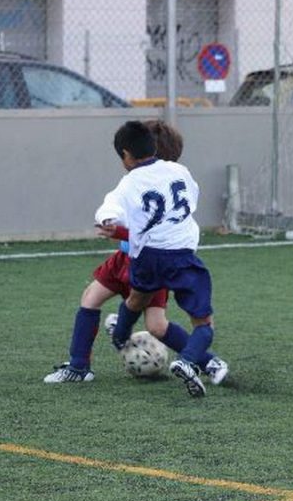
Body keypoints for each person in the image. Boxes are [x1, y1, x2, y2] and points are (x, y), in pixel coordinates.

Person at [45, 119, 228, 386]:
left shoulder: (143, 181)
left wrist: (114, 227)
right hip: (128, 259)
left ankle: (206, 361)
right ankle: (79, 366)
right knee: (91, 297)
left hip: (148, 258)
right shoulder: (164, 177)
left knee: (156, 326)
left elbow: (142, 226)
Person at [96, 120, 217, 398]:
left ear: (126, 155)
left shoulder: (128, 183)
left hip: (146, 257)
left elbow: (111, 205)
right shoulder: (180, 171)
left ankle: (119, 335)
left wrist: (106, 219)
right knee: (204, 323)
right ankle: (186, 362)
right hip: (181, 256)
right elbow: (192, 199)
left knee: (137, 298)